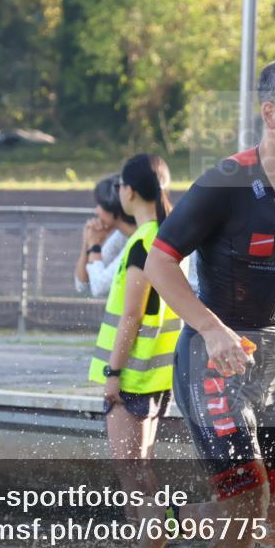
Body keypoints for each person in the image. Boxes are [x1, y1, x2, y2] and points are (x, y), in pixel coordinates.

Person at [139, 56, 275, 548]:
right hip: (214, 362)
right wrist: (211, 328)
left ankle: (170, 523)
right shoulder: (227, 181)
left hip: (270, 367)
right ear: (270, 114)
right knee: (246, 504)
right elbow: (159, 263)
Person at [88, 155, 180, 507]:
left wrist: (113, 373)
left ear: (128, 191)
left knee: (132, 477)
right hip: (157, 375)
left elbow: (131, 316)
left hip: (133, 376)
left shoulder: (143, 242)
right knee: (142, 471)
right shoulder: (169, 236)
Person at [74, 174, 137, 298]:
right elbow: (82, 284)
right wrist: (87, 244)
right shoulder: (122, 235)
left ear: (113, 208)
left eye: (100, 205)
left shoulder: (138, 238)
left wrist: (94, 246)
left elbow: (99, 288)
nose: (96, 211)